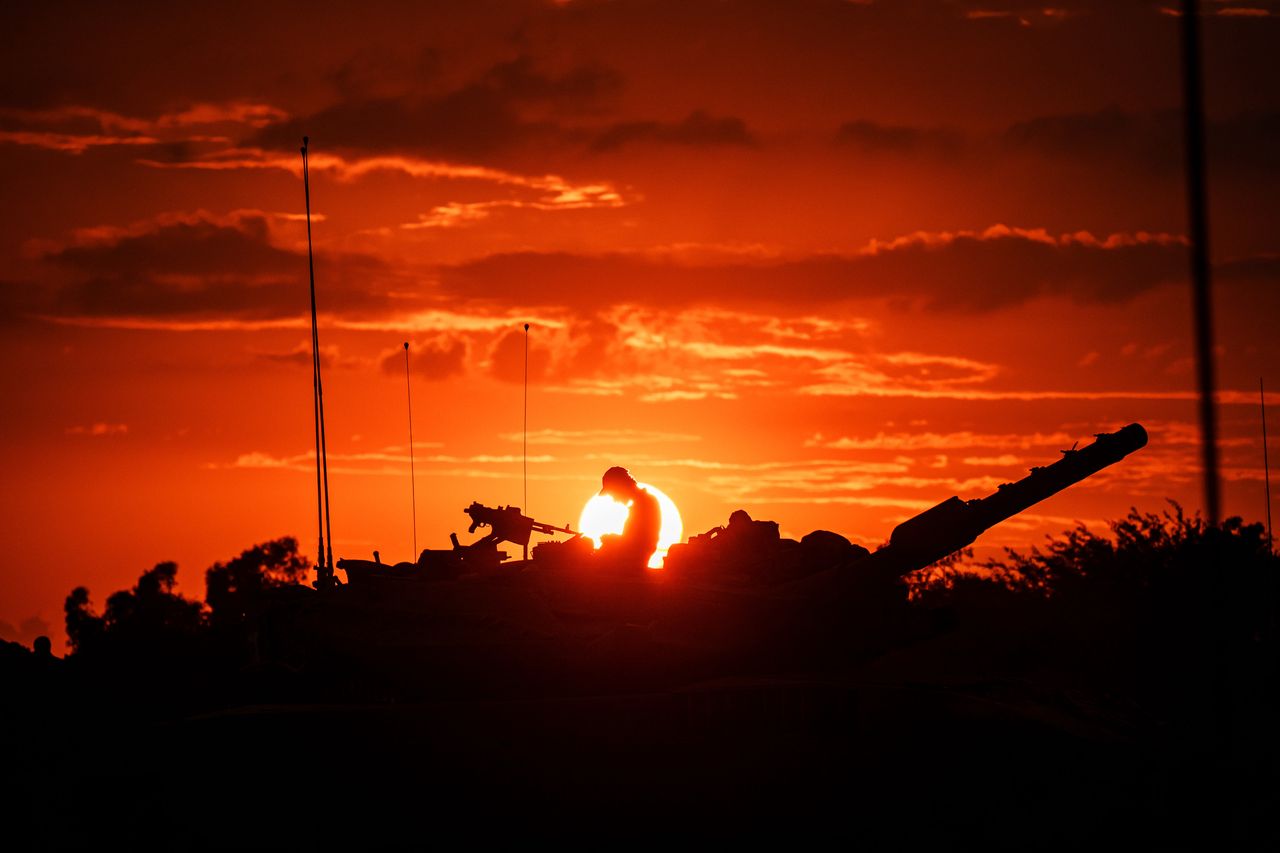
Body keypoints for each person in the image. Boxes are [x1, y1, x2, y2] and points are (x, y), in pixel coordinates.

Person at [597, 466, 662, 571]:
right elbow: (632, 540)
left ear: (620, 487)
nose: (614, 499)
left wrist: (612, 541)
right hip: (629, 564)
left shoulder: (645, 504)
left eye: (612, 493)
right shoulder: (641, 504)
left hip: (631, 567)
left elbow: (640, 545)